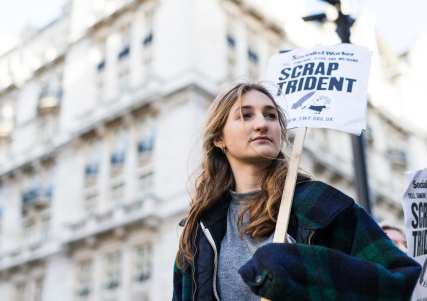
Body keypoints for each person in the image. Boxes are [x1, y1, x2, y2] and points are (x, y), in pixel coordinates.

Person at [172, 79, 421, 301]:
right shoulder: (196, 231)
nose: (262, 124)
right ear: (219, 140)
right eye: (245, 115)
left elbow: (404, 280)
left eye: (270, 116)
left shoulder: (322, 205)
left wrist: (304, 269)